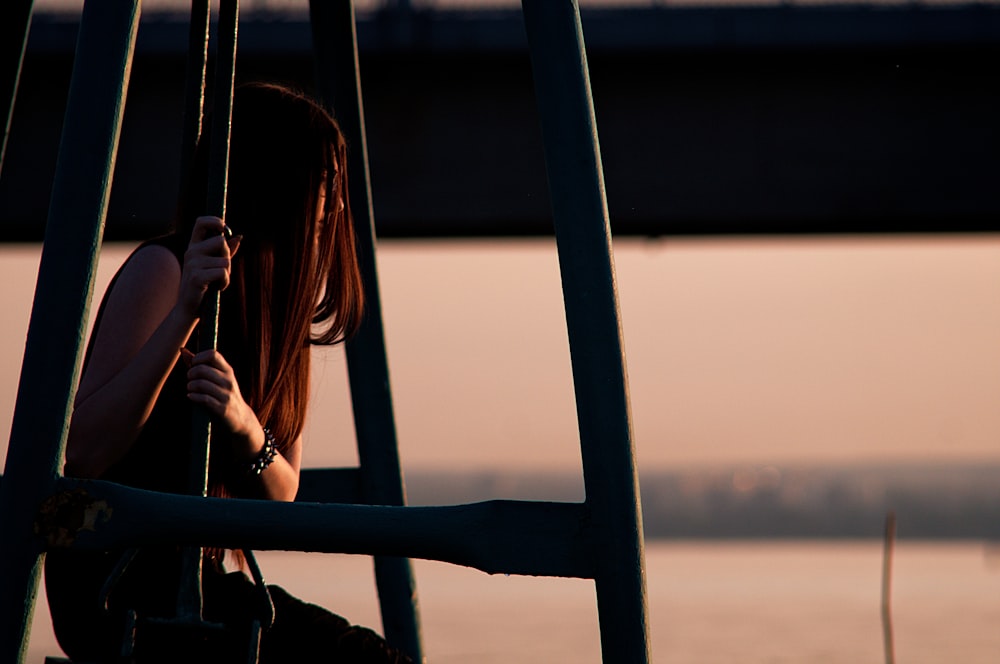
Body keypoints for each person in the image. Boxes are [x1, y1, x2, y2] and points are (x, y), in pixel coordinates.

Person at [44, 82, 413, 664]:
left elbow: (282, 497)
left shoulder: (277, 314)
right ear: (276, 181)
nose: (336, 205)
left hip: (201, 583)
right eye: (326, 182)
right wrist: (185, 314)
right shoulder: (164, 271)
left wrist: (245, 427)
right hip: (116, 585)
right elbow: (85, 451)